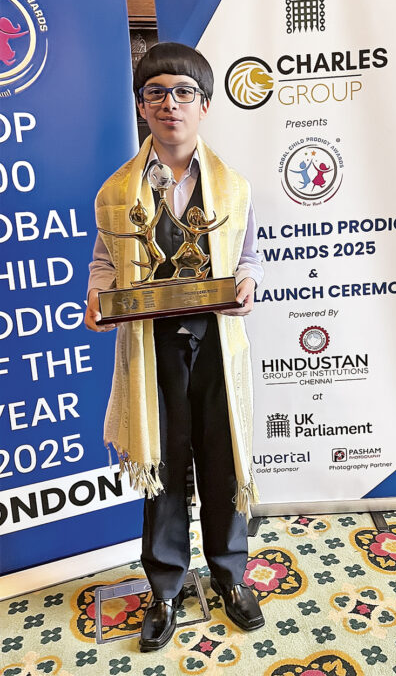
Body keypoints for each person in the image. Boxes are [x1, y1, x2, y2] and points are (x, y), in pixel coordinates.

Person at [85, 42, 264, 652]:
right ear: (142, 106)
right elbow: (105, 262)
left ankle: (230, 575)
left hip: (215, 343)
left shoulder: (233, 188)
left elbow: (247, 257)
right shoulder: (116, 193)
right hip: (152, 345)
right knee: (160, 466)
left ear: (204, 105)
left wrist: (247, 283)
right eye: (156, 93)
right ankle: (164, 587)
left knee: (223, 460)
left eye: (184, 92)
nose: (171, 104)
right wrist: (99, 297)